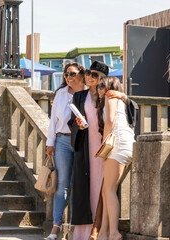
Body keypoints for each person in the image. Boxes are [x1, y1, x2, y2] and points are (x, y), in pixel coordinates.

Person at [67, 61, 109, 240]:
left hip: (102, 146)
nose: (90, 77)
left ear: (102, 79)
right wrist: (77, 124)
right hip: (84, 147)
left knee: (100, 186)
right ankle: (82, 234)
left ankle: (99, 229)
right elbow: (71, 121)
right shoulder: (79, 96)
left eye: (95, 75)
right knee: (84, 188)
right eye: (89, 73)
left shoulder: (106, 96)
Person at [45, 62, 86, 240]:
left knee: (78, 184)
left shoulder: (87, 93)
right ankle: (56, 227)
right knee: (62, 184)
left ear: (81, 75)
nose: (69, 77)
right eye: (66, 74)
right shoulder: (60, 94)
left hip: (81, 141)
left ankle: (74, 228)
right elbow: (53, 120)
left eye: (72, 73)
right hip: (62, 140)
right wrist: (50, 143)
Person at [96, 77, 134, 240]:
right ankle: (104, 232)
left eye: (102, 85)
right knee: (106, 191)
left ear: (111, 87)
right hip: (125, 144)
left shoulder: (110, 97)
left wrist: (104, 145)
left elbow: (110, 121)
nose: (99, 89)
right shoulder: (121, 100)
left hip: (117, 144)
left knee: (109, 190)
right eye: (98, 86)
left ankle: (114, 232)